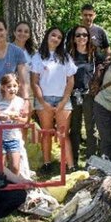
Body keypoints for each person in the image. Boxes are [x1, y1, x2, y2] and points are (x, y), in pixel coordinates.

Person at [31, 26, 77, 172]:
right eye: (53, 35)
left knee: (64, 134)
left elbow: (70, 81)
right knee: (46, 132)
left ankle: (70, 166)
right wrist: (43, 102)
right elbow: (34, 82)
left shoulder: (66, 57)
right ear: (47, 36)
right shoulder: (38, 57)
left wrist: (64, 100)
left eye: (59, 37)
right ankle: (47, 164)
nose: (56, 39)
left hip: (63, 100)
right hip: (44, 100)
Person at [68, 25, 104, 166]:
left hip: (90, 95)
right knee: (75, 128)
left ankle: (91, 162)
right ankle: (73, 161)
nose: (81, 37)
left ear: (89, 37)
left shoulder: (95, 54)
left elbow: (105, 66)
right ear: (74, 38)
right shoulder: (69, 55)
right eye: (78, 35)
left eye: (84, 35)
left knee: (91, 129)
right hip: (73, 95)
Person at [0, 74, 28, 176]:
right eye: (9, 86)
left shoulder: (20, 101)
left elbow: (25, 120)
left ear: (18, 87)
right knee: (1, 167)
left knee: (15, 167)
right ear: (3, 87)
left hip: (14, 138)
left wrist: (18, 118)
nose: (12, 89)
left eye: (14, 86)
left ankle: (14, 188)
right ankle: (2, 188)